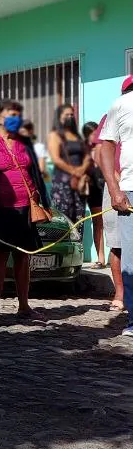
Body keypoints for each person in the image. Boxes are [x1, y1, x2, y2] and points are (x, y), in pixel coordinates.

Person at [0, 100, 51, 324]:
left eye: (17, 115)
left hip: (26, 208)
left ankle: (24, 306)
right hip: (0, 209)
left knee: (23, 256)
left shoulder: (24, 142)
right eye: (10, 114)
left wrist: (45, 202)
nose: (14, 118)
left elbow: (36, 173)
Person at [99, 75, 133, 336]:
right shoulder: (120, 105)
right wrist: (114, 187)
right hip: (128, 189)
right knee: (127, 256)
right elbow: (105, 148)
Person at [47, 103, 90, 226]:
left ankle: (78, 245)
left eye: (72, 114)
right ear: (59, 117)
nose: (70, 117)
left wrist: (82, 169)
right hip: (62, 183)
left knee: (79, 219)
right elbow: (56, 159)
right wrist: (73, 171)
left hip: (79, 183)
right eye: (66, 115)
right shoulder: (54, 135)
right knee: (64, 219)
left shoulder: (77, 136)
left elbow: (87, 156)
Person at [83, 120, 107, 268]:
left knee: (108, 223)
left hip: (104, 186)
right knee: (97, 223)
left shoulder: (105, 147)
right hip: (93, 190)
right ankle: (101, 258)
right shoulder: (83, 150)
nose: (97, 135)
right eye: (93, 133)